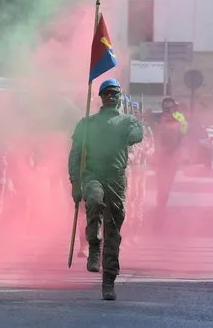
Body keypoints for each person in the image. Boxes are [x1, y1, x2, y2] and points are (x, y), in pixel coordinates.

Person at [68, 78, 144, 301]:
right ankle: (93, 245)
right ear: (100, 97)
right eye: (106, 93)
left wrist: (132, 134)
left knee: (114, 230)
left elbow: (138, 133)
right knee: (93, 200)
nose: (110, 97)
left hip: (116, 179)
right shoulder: (86, 124)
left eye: (114, 93)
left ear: (120, 97)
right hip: (93, 175)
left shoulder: (127, 121)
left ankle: (109, 280)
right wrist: (75, 183)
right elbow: (75, 156)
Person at [152, 96, 187, 226]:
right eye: (165, 106)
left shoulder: (178, 118)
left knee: (165, 187)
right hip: (162, 157)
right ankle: (160, 210)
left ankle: (161, 209)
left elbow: (183, 132)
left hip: (172, 157)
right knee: (161, 187)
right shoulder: (158, 119)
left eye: (169, 106)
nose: (167, 108)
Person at [126, 101, 154, 242]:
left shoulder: (145, 130)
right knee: (128, 200)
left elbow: (151, 146)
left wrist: (146, 152)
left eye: (137, 113)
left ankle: (134, 231)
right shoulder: (123, 128)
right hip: (128, 168)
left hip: (140, 169)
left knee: (137, 200)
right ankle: (125, 230)